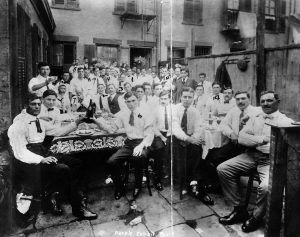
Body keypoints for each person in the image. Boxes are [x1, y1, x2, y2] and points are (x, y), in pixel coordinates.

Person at [8, 94, 97, 219]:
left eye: (39, 104)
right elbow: (20, 152)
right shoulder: (19, 124)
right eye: (33, 104)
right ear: (26, 106)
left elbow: (58, 131)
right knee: (63, 169)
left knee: (76, 163)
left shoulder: (39, 120)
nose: (37, 107)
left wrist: (79, 121)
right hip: (29, 162)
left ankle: (62, 194)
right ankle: (78, 209)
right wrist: (41, 159)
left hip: (42, 153)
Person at [217, 91, 293, 233]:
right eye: (263, 101)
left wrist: (254, 141)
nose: (265, 104)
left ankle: (256, 217)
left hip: (270, 160)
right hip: (252, 155)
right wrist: (261, 140)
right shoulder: (256, 117)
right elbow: (241, 138)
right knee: (223, 168)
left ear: (278, 102)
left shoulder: (285, 121)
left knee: (265, 187)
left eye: (269, 101)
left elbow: (282, 147)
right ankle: (239, 209)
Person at [204, 91, 260, 191]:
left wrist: (248, 116)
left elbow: (263, 112)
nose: (240, 101)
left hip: (249, 147)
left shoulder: (256, 111)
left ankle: (229, 184)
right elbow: (223, 125)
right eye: (238, 99)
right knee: (211, 154)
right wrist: (231, 133)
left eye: (243, 99)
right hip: (235, 144)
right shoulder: (234, 111)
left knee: (220, 158)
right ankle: (217, 185)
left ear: (249, 99)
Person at [106, 92, 154, 200]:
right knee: (111, 162)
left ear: (137, 100)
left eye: (133, 101)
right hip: (129, 143)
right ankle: (119, 187)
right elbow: (113, 128)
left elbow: (150, 135)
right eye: (128, 101)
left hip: (143, 143)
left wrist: (140, 146)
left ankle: (138, 185)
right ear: (125, 102)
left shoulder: (146, 113)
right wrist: (97, 122)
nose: (131, 104)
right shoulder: (122, 114)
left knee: (138, 157)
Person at [172, 87, 214, 205]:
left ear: (193, 98)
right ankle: (183, 183)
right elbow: (175, 128)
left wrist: (193, 139)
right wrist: (187, 139)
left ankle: (194, 181)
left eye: (189, 97)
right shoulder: (175, 109)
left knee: (197, 150)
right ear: (180, 97)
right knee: (180, 153)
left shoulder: (195, 111)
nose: (186, 99)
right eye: (184, 97)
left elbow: (198, 127)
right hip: (176, 138)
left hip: (190, 138)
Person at [151, 90, 173, 184]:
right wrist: (161, 136)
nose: (163, 101)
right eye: (162, 99)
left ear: (169, 99)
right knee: (159, 149)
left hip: (170, 133)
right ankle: (157, 177)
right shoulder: (155, 110)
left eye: (165, 99)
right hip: (159, 134)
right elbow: (153, 126)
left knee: (173, 149)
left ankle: (172, 174)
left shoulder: (173, 109)